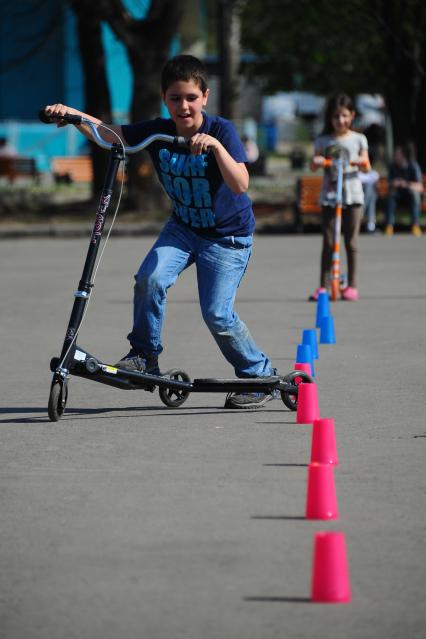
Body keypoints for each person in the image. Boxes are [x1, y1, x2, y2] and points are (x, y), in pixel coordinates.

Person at [43, 54, 276, 410]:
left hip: (227, 237)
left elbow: (241, 184)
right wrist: (72, 115)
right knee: (149, 278)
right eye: (175, 98)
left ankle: (258, 375)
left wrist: (214, 148)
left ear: (205, 97)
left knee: (217, 314)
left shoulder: (220, 131)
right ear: (165, 99)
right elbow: (110, 136)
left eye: (190, 98)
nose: (183, 106)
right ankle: (144, 354)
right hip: (183, 228)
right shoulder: (158, 131)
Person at [309, 93, 370, 302]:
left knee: (351, 242)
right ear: (330, 118)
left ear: (352, 115)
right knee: (328, 242)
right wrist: (317, 161)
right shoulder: (323, 140)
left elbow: (367, 164)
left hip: (352, 196)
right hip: (330, 196)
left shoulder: (359, 139)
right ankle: (324, 286)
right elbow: (313, 163)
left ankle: (352, 285)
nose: (340, 120)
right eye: (336, 116)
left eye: (344, 116)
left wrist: (360, 161)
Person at [384, 143, 423, 237]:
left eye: (397, 154)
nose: (395, 156)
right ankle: (389, 226)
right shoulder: (393, 166)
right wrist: (394, 183)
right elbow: (389, 183)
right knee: (391, 195)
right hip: (397, 196)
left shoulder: (413, 166)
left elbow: (419, 186)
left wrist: (405, 184)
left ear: (403, 156)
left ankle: (415, 226)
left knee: (415, 195)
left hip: (409, 196)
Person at [360, 154, 379, 233]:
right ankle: (370, 225)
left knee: (370, 190)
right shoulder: (357, 173)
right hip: (358, 198)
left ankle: (361, 212)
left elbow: (373, 178)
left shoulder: (374, 173)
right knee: (370, 191)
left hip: (364, 201)